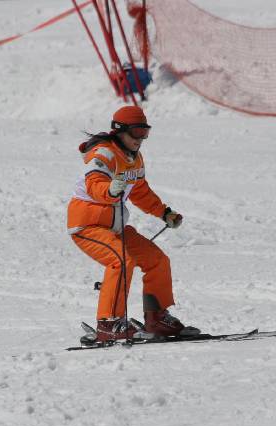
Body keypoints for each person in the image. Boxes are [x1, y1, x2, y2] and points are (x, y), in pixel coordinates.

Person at [67, 105, 199, 342]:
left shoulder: (134, 159)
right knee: (120, 260)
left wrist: (164, 213)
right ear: (119, 131)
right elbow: (93, 183)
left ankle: (156, 318)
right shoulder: (103, 154)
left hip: (115, 227)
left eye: (145, 133)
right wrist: (109, 190)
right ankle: (109, 323)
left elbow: (140, 192)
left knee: (157, 260)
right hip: (87, 226)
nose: (140, 139)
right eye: (136, 132)